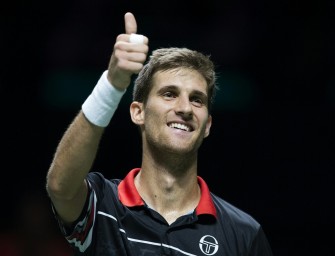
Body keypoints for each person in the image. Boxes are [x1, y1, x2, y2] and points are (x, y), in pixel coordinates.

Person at [46, 11, 274, 256]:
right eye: (169, 94)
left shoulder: (243, 234)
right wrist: (112, 83)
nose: (185, 108)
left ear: (207, 125)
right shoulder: (102, 206)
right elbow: (60, 186)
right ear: (138, 112)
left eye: (197, 100)